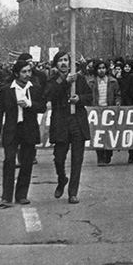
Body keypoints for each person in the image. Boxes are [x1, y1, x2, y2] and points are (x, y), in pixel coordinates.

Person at [0, 60, 46, 208]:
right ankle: (6, 196)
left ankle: (22, 195)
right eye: (24, 72)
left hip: (28, 129)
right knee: (9, 160)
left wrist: (30, 104)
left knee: (27, 161)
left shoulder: (35, 89)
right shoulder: (7, 90)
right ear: (16, 73)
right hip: (11, 129)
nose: (27, 74)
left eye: (29, 71)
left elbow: (42, 108)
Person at [45, 51, 93, 204]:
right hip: (61, 123)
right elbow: (50, 94)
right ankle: (62, 180)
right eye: (60, 61)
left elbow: (90, 97)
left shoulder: (79, 79)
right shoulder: (53, 80)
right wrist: (66, 82)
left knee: (77, 159)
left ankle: (73, 192)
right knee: (59, 158)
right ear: (56, 64)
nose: (63, 63)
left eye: (66, 60)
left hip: (77, 122)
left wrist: (79, 99)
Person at [87, 59, 121, 166]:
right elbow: (88, 96)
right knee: (98, 135)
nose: (101, 70)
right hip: (96, 112)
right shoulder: (91, 82)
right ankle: (100, 157)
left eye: (103, 68)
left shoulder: (113, 82)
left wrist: (117, 104)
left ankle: (108, 152)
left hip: (109, 110)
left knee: (109, 134)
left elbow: (117, 95)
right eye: (99, 68)